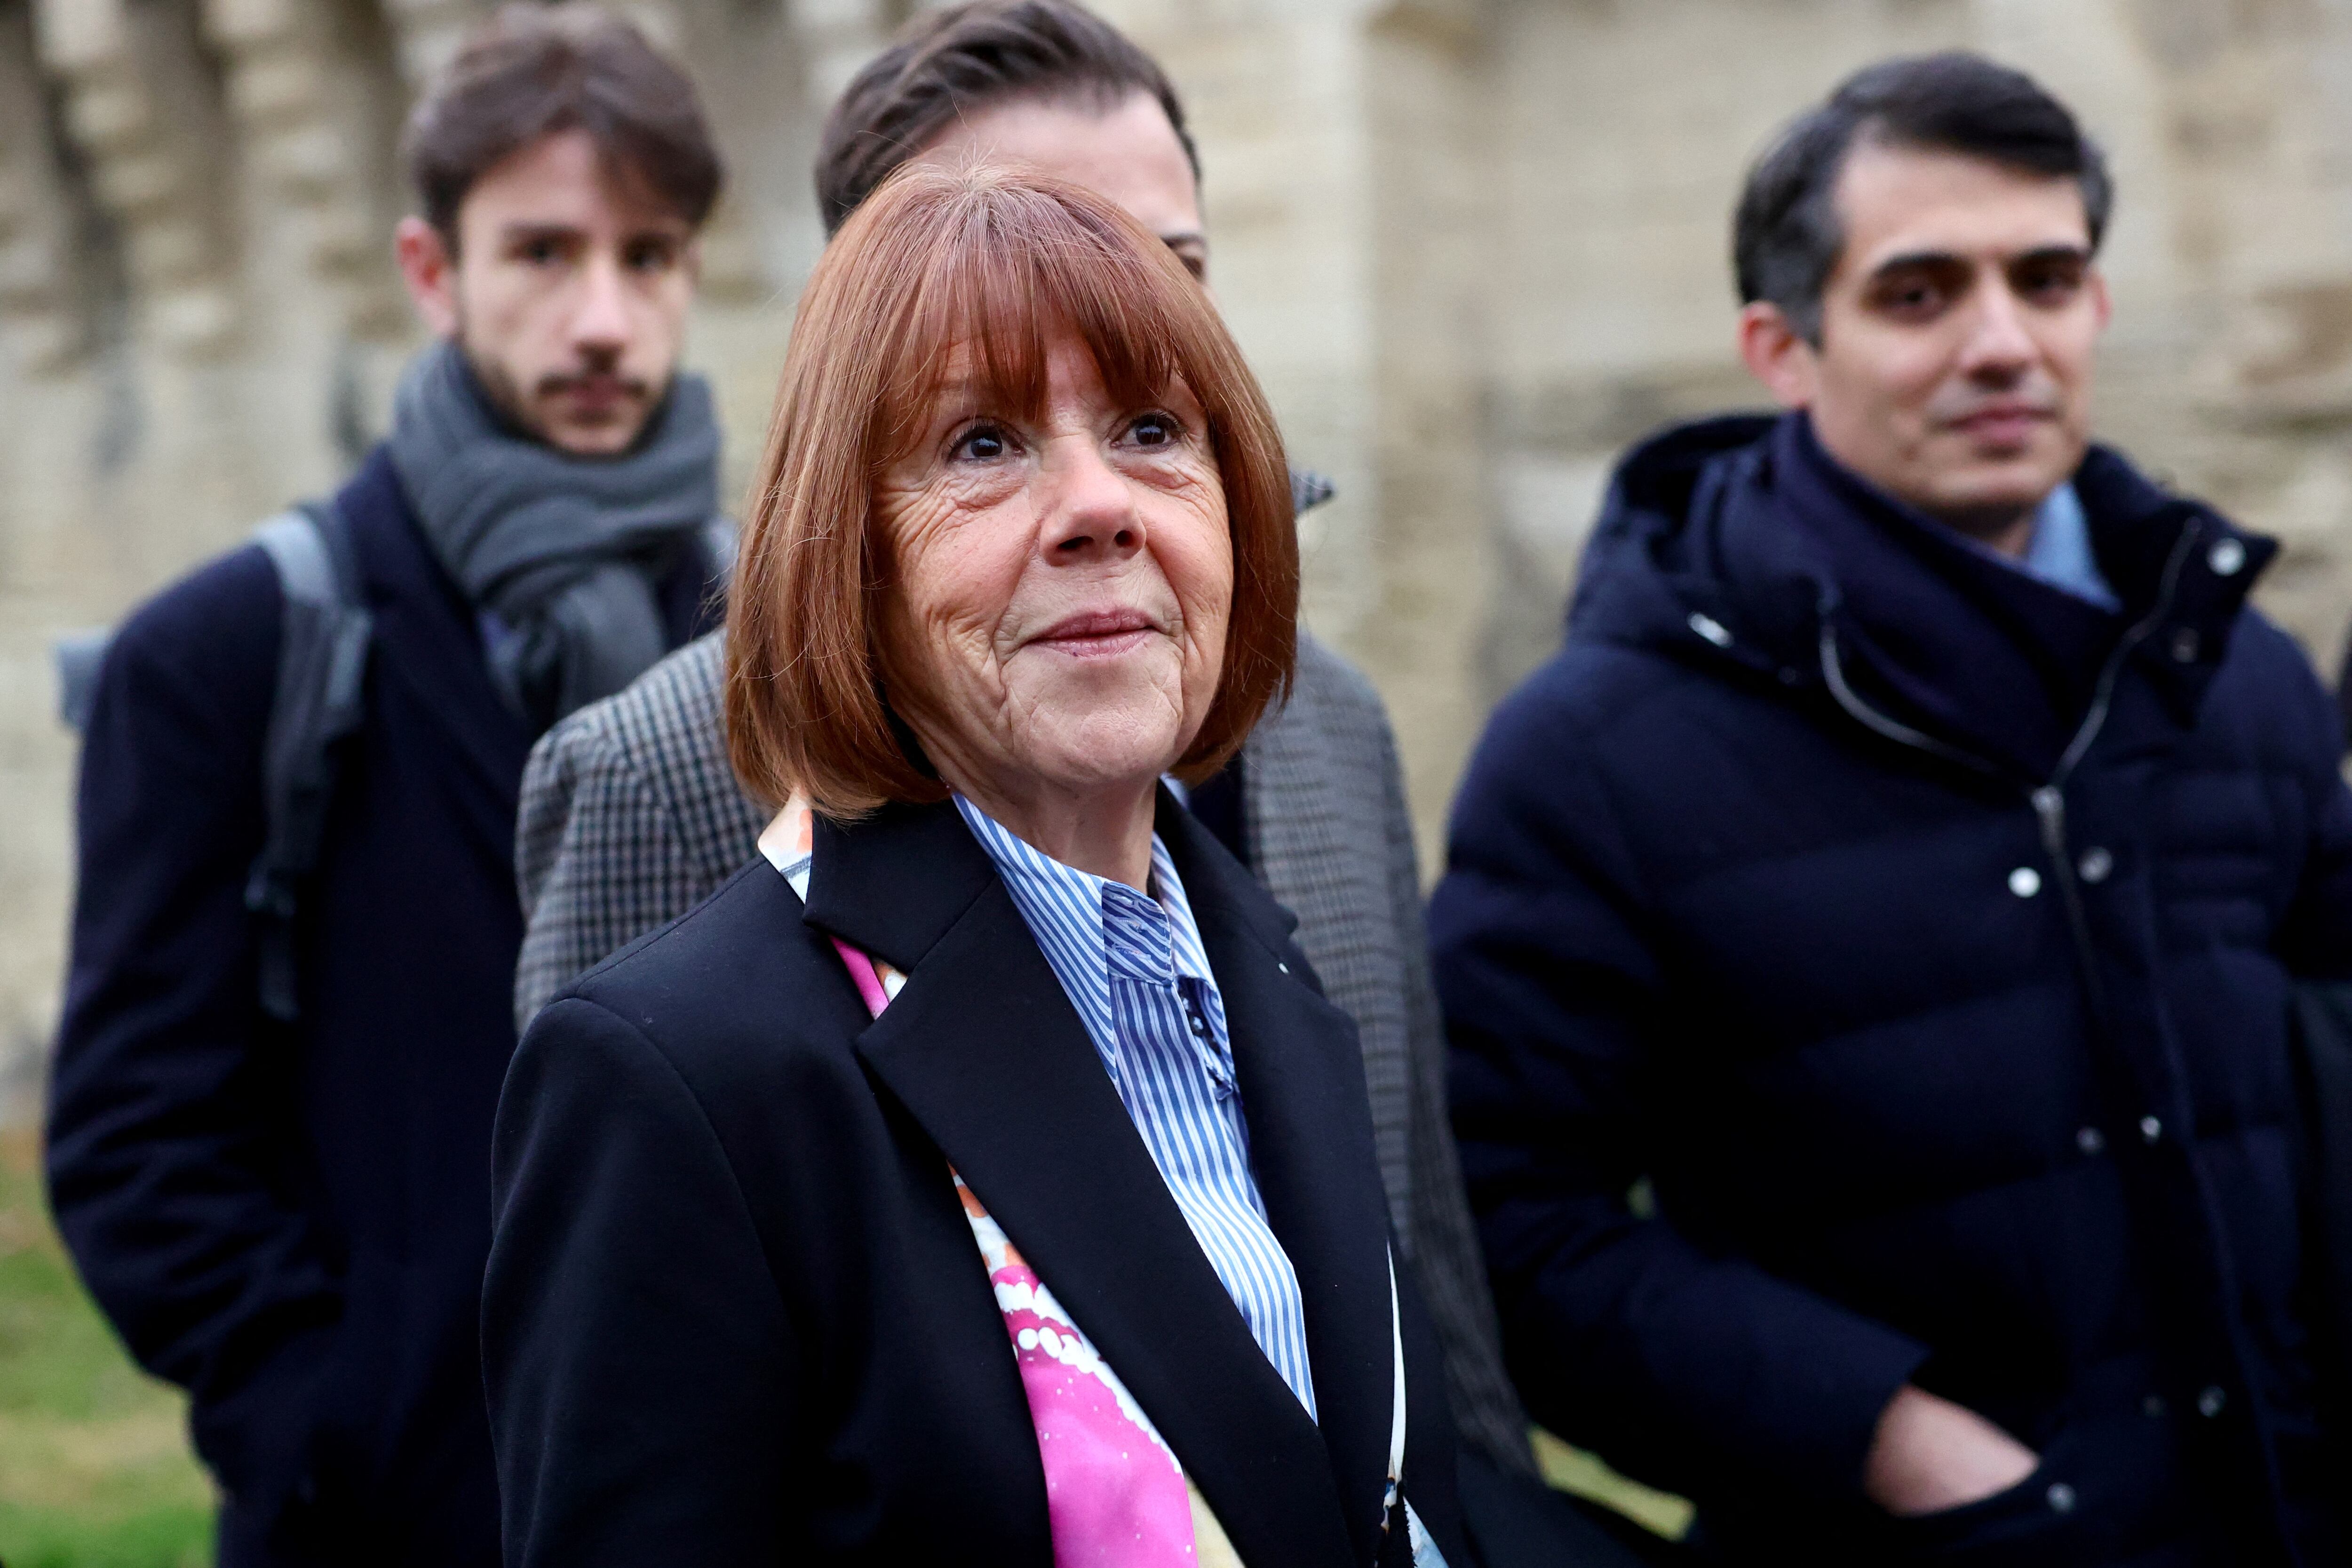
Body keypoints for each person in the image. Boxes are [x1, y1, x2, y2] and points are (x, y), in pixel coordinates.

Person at [506, 5, 1587, 1552]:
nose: (1098, 507)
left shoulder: (1264, 976)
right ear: (846, 548)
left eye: (1156, 425)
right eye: (981, 442)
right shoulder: (672, 1074)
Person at [1432, 52, 2352, 1567]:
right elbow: (1508, 1225)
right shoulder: (1592, 756)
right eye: (1920, 294)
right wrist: (1893, 1442)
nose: (2004, 342)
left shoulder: (2239, 679)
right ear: (1782, 348)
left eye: (2047, 280)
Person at [45, 9, 728, 1564]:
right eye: (544, 254)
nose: (607, 318)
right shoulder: (228, 653)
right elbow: (132, 1136)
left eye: (652, 255)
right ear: (434, 274)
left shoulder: (772, 642)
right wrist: (338, 1424)